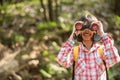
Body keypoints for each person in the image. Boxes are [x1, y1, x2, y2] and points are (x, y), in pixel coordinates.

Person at [57, 14, 120, 80]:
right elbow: (61, 60)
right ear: (79, 30)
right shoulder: (75, 52)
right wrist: (73, 35)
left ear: (95, 30)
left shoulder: (102, 50)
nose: (86, 30)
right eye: (83, 27)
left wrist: (102, 33)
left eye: (90, 27)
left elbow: (114, 59)